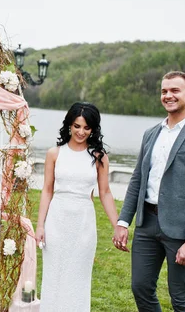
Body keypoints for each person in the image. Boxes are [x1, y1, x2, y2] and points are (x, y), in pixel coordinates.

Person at [113, 71, 185, 312]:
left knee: (182, 299)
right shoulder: (151, 134)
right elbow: (138, 179)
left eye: (175, 90)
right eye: (164, 91)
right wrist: (123, 221)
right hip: (147, 224)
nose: (168, 95)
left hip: (181, 230)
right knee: (140, 288)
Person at [35, 102, 119, 311]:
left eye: (87, 127)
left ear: (93, 129)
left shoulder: (99, 157)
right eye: (77, 126)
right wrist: (40, 225)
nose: (81, 132)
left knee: (78, 276)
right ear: (69, 126)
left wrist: (118, 225)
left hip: (83, 223)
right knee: (54, 274)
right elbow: (47, 190)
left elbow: (105, 193)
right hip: (57, 220)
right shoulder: (54, 153)